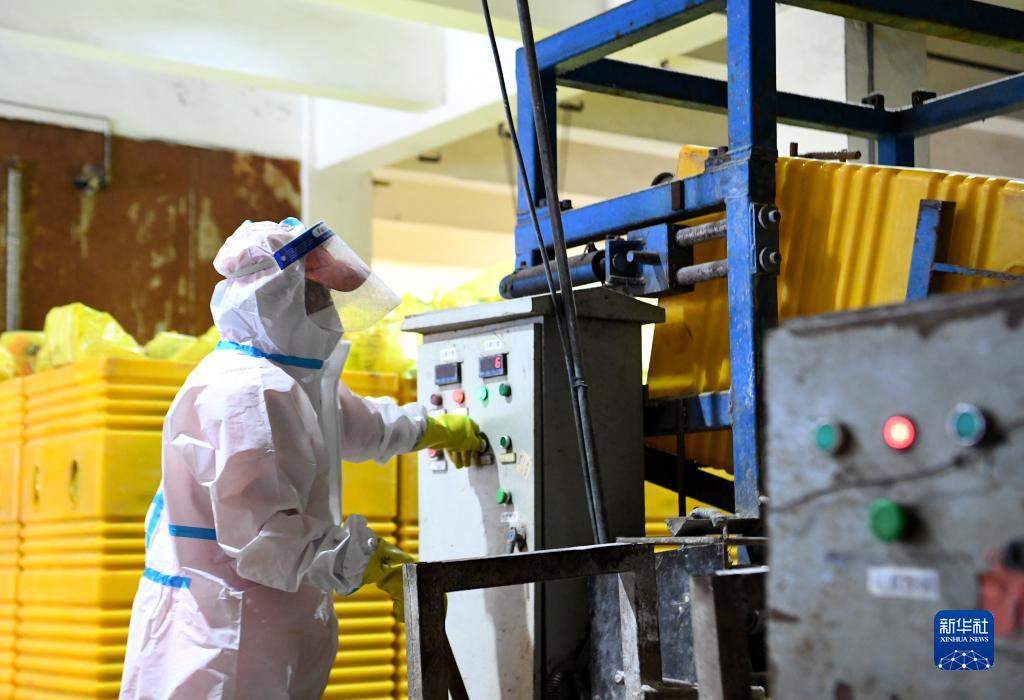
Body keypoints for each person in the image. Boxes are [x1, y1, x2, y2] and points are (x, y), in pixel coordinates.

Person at [120, 219, 484, 699]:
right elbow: (265, 537)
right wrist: (371, 563)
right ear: (278, 296)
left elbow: (351, 423)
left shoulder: (285, 377)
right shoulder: (246, 391)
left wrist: (431, 428)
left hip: (261, 618)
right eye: (317, 295)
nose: (328, 309)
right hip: (223, 635)